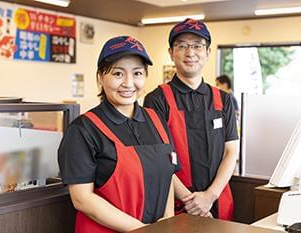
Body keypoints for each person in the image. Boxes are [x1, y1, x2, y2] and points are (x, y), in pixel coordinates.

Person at [58, 36, 176, 233]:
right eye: (118, 73)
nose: (129, 83)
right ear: (100, 77)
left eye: (137, 73)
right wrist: (143, 230)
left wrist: (168, 222)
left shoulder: (157, 120)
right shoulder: (83, 129)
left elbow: (167, 175)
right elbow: (82, 198)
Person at [144, 18, 238, 220]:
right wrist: (194, 204)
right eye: (182, 46)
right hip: (176, 205)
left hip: (219, 202)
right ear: (171, 52)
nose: (190, 53)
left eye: (197, 45)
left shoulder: (224, 100)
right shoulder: (157, 99)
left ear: (207, 52)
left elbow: (231, 152)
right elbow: (158, 160)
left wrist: (209, 197)